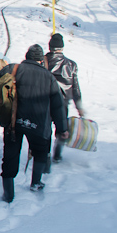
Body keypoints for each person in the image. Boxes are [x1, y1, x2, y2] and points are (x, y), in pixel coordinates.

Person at [0, 44, 68, 202]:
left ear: (26, 57)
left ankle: (8, 194)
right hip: (39, 124)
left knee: (10, 156)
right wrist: (62, 128)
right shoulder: (48, 77)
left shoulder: (12, 69)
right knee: (40, 152)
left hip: (14, 122)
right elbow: (57, 105)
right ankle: (35, 182)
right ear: (41, 60)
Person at [45, 33, 85, 164]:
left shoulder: (43, 62)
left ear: (50, 46)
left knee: (45, 128)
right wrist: (79, 106)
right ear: (62, 47)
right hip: (62, 103)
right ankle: (57, 154)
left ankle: (45, 153)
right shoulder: (71, 64)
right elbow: (76, 88)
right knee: (62, 129)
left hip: (45, 101)